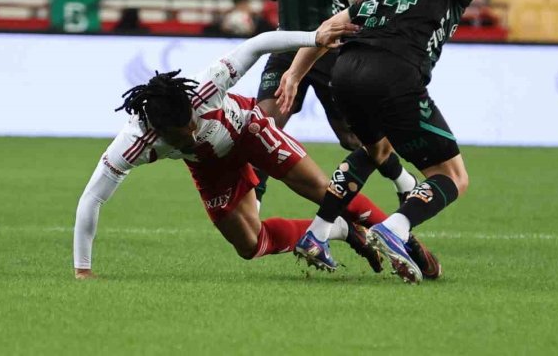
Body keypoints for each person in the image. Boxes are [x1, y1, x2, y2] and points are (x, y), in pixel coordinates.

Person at [72, 23, 391, 279]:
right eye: (181, 136)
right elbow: (92, 197)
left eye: (191, 124)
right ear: (158, 132)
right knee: (251, 245)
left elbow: (256, 44)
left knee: (323, 191)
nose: (192, 133)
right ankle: (344, 231)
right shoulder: (135, 141)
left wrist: (314, 37)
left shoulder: (206, 87)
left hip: (248, 130)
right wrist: (82, 269)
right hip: (210, 167)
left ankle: (401, 239)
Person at [276, 0, 501, 283]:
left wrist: (293, 74)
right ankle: (396, 226)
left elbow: (330, 27)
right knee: (452, 176)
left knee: (376, 148)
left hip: (346, 73)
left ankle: (317, 233)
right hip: (393, 73)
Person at [201, 0, 422, 223]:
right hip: (287, 43)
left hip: (333, 47)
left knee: (354, 138)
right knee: (263, 127)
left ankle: (402, 179)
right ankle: (255, 206)